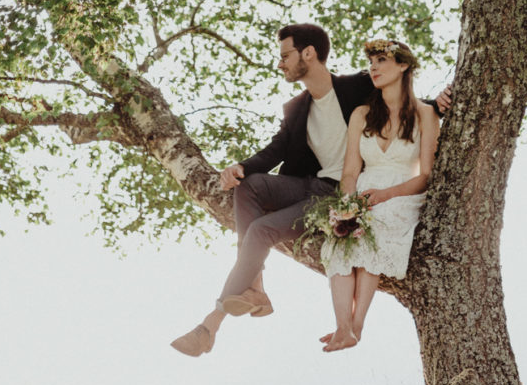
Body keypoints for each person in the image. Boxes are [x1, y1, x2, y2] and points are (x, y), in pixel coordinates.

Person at [170, 23, 451, 357]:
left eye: (286, 55)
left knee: (261, 230)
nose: (281, 63)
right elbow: (273, 151)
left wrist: (440, 103)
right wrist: (240, 167)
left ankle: (211, 324)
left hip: (339, 194)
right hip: (309, 183)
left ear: (309, 53)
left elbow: (402, 102)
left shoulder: (360, 85)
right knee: (249, 185)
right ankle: (254, 285)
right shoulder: (295, 109)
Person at [319, 38, 439, 352]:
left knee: (376, 225)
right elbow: (349, 170)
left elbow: (425, 176)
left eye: (381, 60)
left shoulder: (426, 114)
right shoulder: (361, 114)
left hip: (401, 193)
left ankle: (357, 327)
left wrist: (385, 195)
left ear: (404, 65)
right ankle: (342, 326)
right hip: (363, 190)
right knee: (342, 235)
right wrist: (347, 203)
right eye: (371, 62)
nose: (373, 67)